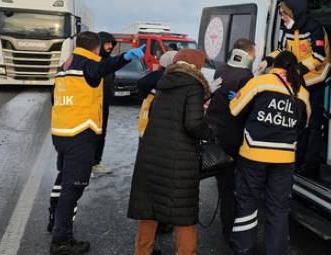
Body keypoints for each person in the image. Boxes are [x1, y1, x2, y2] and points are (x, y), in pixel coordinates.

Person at [49, 31, 144, 255]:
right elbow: (103, 68)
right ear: (95, 48)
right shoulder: (88, 64)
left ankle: (53, 221)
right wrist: (125, 58)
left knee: (63, 180)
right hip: (80, 134)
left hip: (61, 131)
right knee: (73, 188)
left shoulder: (65, 65)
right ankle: (61, 240)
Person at [128, 49, 214, 255]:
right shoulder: (193, 86)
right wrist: (210, 133)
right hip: (179, 158)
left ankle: (142, 252)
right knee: (184, 212)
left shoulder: (164, 83)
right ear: (196, 65)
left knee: (149, 209)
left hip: (151, 154)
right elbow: (193, 124)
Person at [230, 51, 310, 255]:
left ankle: (244, 249)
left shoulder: (261, 81)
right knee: (278, 208)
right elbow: (303, 124)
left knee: (247, 203)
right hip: (284, 158)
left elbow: (234, 109)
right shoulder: (302, 92)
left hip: (253, 155)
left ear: (274, 65)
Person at [259, 0, 331, 177]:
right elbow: (283, 50)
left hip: (315, 81)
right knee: (300, 124)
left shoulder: (314, 28)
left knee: (314, 126)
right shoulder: (289, 29)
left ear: (295, 11)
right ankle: (298, 160)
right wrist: (268, 60)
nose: (282, 17)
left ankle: (311, 167)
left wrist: (297, 70)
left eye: (284, 13)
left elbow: (319, 56)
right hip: (298, 82)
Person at [205, 38, 256, 239]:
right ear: (247, 53)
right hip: (233, 137)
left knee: (224, 185)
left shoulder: (221, 70)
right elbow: (244, 110)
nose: (253, 57)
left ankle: (228, 228)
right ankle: (232, 230)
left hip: (214, 133)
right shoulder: (246, 75)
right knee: (233, 187)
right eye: (253, 53)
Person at [93, 31, 118, 175]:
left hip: (104, 106)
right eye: (107, 43)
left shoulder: (110, 62)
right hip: (90, 106)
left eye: (112, 44)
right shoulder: (92, 61)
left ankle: (95, 163)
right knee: (89, 136)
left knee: (101, 134)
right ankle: (85, 164)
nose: (110, 46)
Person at [136, 50, 177, 138]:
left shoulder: (158, 75)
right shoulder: (181, 78)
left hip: (151, 120)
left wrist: (144, 95)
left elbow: (141, 83)